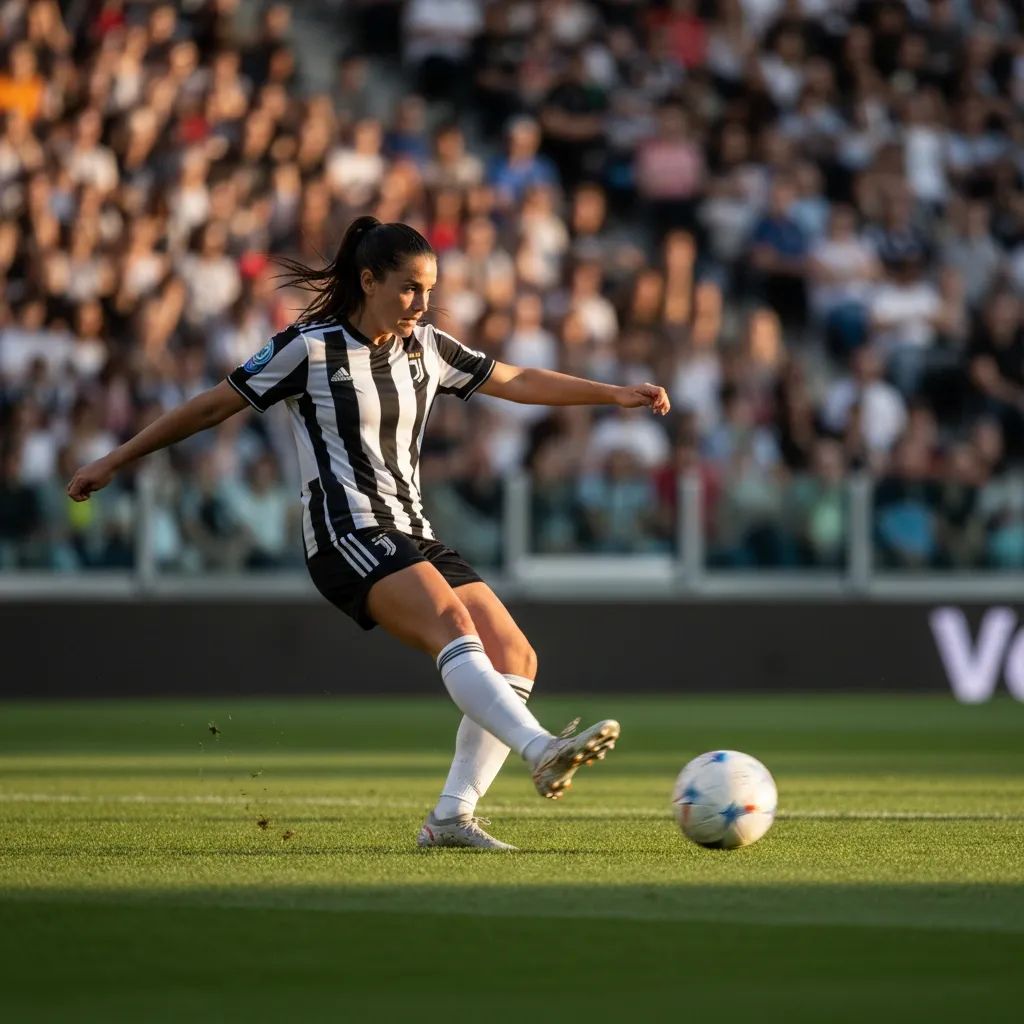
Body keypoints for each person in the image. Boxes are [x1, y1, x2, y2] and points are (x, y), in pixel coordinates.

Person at [66, 216, 671, 851]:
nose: (422, 303)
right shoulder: (309, 346)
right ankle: (542, 748)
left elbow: (513, 379)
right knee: (454, 628)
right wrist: (114, 460)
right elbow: (214, 404)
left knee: (516, 655)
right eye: (409, 288)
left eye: (429, 291)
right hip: (343, 530)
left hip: (412, 531)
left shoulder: (427, 348)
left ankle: (450, 819)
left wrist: (613, 395)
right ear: (368, 280)